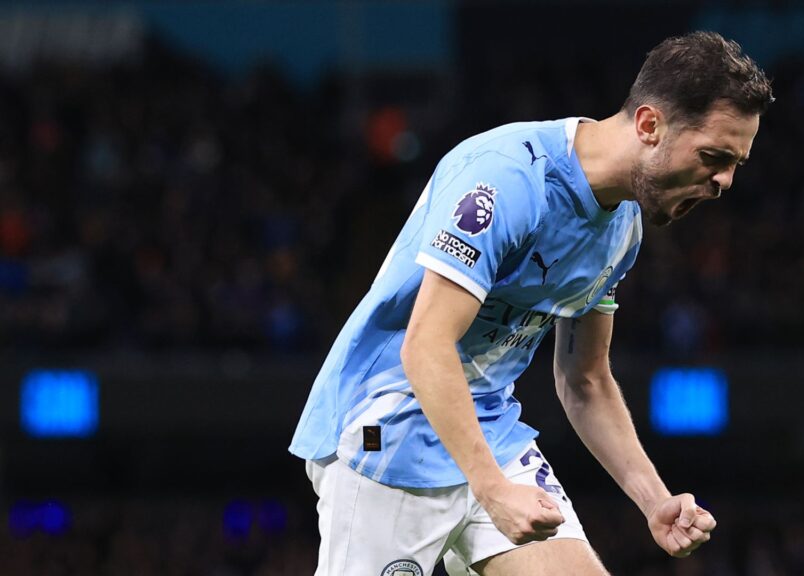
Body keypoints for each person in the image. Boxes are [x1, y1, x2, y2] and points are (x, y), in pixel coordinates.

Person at [290, 31, 773, 576]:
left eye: (735, 164)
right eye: (714, 157)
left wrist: (654, 500)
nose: (724, 181)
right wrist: (492, 488)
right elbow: (425, 344)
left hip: (489, 431)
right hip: (387, 425)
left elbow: (585, 379)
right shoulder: (508, 178)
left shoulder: (623, 228)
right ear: (648, 125)